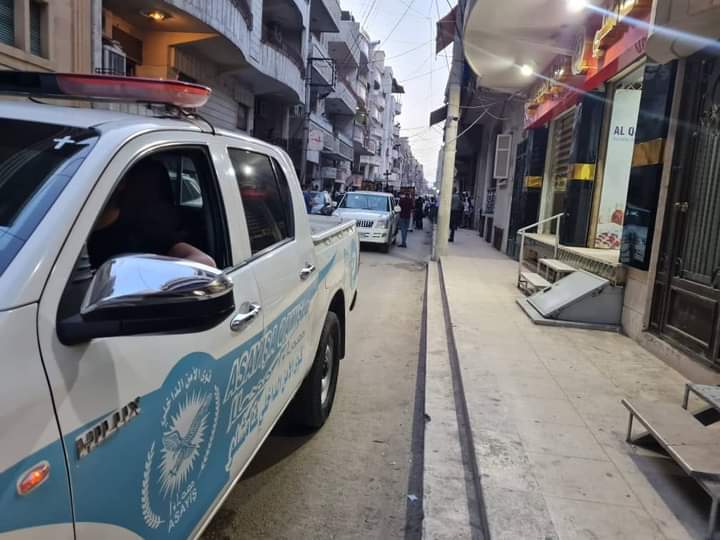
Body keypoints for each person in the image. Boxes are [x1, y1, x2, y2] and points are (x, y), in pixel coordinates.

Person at [88, 159, 216, 269]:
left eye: (100, 177)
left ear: (122, 182)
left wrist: (150, 280)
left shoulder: (143, 233)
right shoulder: (72, 224)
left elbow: (205, 262)